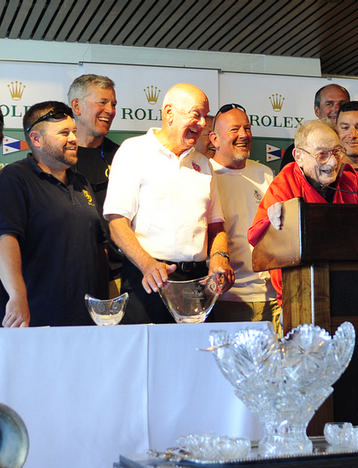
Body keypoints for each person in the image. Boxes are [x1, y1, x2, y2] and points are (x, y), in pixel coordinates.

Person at [103, 83, 233, 324]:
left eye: (205, 117)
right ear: (169, 113)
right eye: (196, 115)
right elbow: (117, 224)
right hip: (149, 280)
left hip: (197, 284)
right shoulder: (134, 151)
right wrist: (148, 265)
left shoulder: (203, 164)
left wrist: (219, 257)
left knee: (197, 357)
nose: (203, 124)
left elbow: (216, 226)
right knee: (149, 357)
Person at [0, 101, 108, 327]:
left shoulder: (81, 182)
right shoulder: (14, 180)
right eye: (64, 133)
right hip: (36, 320)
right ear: (36, 139)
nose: (73, 139)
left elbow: (99, 245)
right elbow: (4, 239)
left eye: (74, 132)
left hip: (87, 322)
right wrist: (16, 296)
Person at [249, 119, 358, 302]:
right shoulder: (286, 182)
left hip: (353, 289)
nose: (333, 162)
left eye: (337, 152)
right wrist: (274, 226)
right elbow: (258, 238)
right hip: (300, 295)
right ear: (298, 156)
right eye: (322, 154)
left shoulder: (349, 178)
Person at [206, 103, 279, 327]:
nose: (243, 135)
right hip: (228, 298)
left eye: (247, 128)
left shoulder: (265, 173)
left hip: (272, 297)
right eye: (234, 129)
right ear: (215, 139)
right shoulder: (203, 175)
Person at [68, 73, 119, 208]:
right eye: (102, 102)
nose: (110, 110)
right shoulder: (57, 156)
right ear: (77, 106)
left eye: (113, 104)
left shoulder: (122, 155)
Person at [279, 83, 350, 171]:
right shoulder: (301, 151)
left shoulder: (357, 149)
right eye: (329, 104)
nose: (337, 109)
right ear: (317, 110)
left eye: (342, 104)